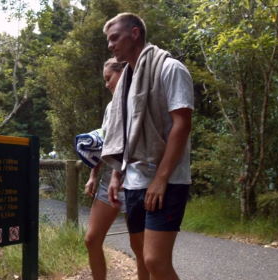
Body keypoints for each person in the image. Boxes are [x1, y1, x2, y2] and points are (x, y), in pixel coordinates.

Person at [101, 13, 194, 280]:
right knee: (141, 257)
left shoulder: (169, 69)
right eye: (109, 41)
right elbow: (126, 133)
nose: (110, 45)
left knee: (156, 261)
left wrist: (161, 179)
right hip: (134, 181)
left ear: (135, 33)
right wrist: (117, 174)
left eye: (115, 38)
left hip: (167, 180)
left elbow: (182, 125)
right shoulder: (126, 82)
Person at [76, 57, 127, 280]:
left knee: (141, 246)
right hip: (108, 179)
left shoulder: (140, 101)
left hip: (135, 180)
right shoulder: (110, 107)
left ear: (123, 72)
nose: (106, 84)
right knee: (92, 239)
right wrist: (93, 175)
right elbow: (105, 143)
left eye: (109, 78)